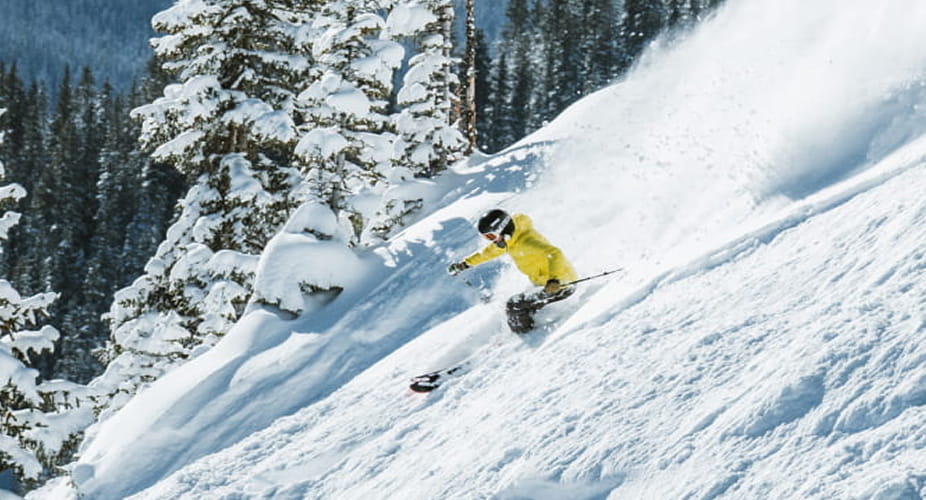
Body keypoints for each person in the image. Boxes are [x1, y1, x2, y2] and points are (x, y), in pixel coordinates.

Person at [447, 209, 578, 333]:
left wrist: (554, 279)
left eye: (491, 236)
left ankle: (528, 335)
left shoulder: (526, 241)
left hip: (560, 285)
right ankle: (531, 324)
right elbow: (488, 253)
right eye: (487, 237)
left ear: (501, 229)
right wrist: (464, 264)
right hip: (545, 284)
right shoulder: (512, 240)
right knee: (522, 304)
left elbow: (554, 253)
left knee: (514, 305)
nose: (492, 240)